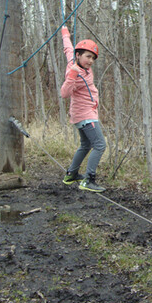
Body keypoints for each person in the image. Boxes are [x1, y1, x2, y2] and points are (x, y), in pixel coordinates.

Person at [60, 26, 107, 193]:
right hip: (85, 115)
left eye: (93, 58)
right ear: (79, 55)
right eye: (88, 57)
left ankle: (71, 174)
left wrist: (65, 33)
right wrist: (72, 75)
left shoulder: (74, 59)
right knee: (100, 145)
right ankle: (89, 180)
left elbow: (68, 48)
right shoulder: (75, 71)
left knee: (86, 144)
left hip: (83, 114)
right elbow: (64, 93)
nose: (90, 61)